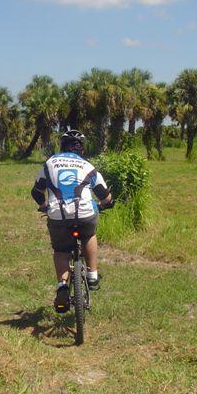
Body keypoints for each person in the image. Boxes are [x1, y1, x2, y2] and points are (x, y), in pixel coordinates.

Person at [30, 130, 113, 313]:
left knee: (61, 249)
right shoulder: (87, 166)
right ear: (81, 149)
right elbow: (104, 194)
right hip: (85, 213)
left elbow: (37, 192)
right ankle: (92, 274)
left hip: (58, 216)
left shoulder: (49, 163)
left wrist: (44, 205)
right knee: (89, 234)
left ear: (62, 147)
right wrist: (108, 203)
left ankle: (62, 286)